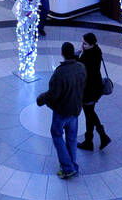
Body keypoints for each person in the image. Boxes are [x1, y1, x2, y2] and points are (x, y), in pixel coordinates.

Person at [36, 42, 87, 179]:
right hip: (75, 110)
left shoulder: (60, 73)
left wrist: (41, 99)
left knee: (57, 135)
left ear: (62, 53)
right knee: (71, 138)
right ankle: (72, 166)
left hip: (62, 111)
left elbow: (53, 94)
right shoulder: (81, 68)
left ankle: (67, 167)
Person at [77, 31, 111, 150]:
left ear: (91, 44)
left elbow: (77, 65)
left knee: (89, 113)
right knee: (89, 113)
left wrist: (80, 52)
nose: (82, 45)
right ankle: (92, 139)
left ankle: (98, 138)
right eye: (82, 43)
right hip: (95, 87)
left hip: (89, 90)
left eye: (85, 44)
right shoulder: (97, 50)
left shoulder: (88, 56)